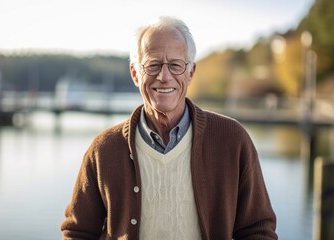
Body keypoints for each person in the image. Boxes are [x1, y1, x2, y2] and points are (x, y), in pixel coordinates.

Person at [61, 16, 277, 239]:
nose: (164, 77)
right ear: (135, 74)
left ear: (191, 72)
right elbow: (77, 232)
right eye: (153, 65)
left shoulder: (232, 139)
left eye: (175, 65)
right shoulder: (104, 149)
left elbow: (258, 230)